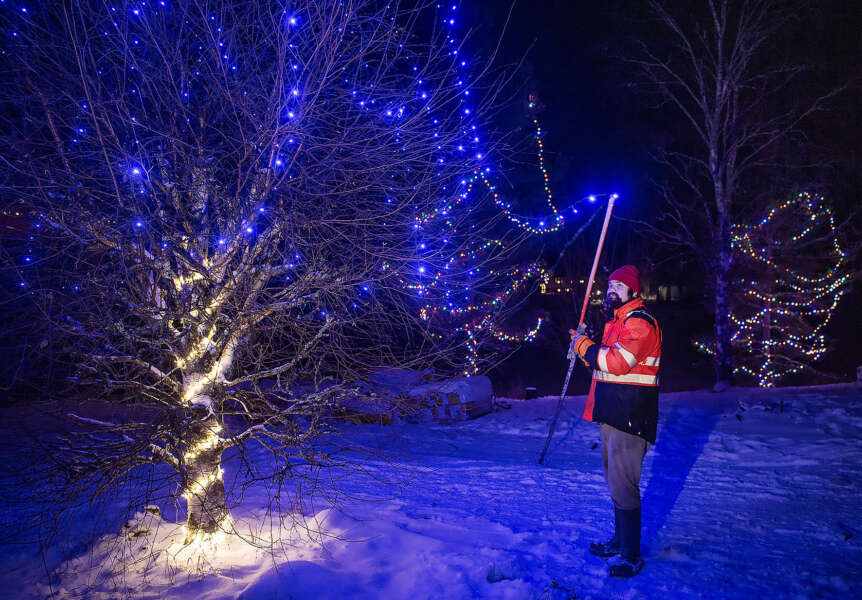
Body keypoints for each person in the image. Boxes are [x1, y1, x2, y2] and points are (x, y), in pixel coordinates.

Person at [567, 265, 662, 578]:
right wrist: (582, 348)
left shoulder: (641, 323)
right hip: (613, 413)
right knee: (615, 482)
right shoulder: (617, 323)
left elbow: (616, 362)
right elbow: (603, 364)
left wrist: (584, 345)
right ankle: (620, 541)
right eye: (610, 284)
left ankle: (631, 555)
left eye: (620, 285)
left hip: (630, 417)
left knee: (624, 484)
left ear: (634, 291)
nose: (612, 289)